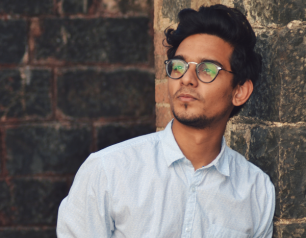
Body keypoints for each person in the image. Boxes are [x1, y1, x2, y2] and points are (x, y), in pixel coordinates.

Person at [57, 4, 275, 237]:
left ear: (240, 91)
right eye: (179, 66)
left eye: (207, 69)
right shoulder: (109, 171)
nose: (187, 79)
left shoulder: (256, 191)